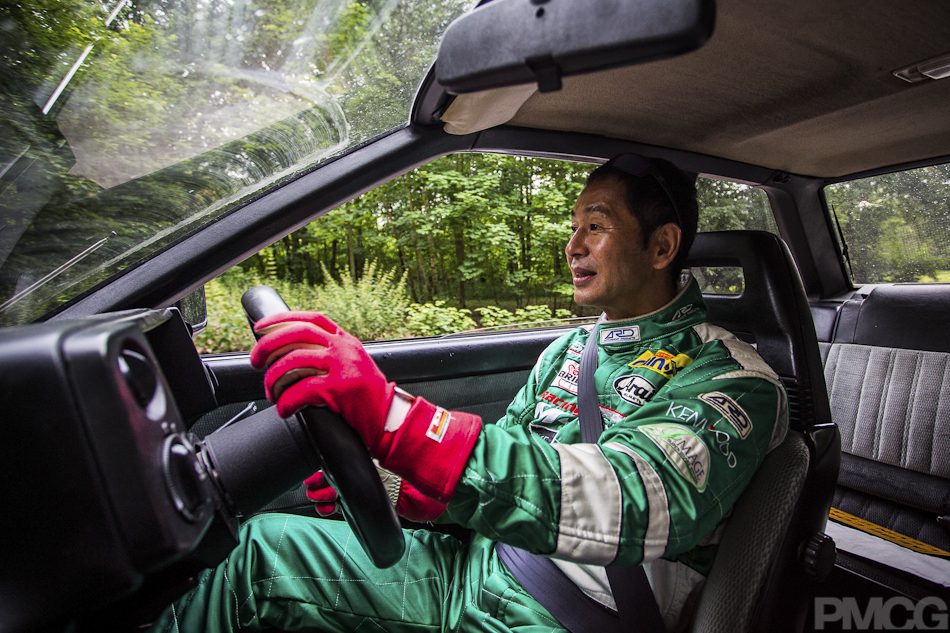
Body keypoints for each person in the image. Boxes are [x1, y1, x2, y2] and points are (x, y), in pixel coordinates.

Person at [151, 155, 788, 632]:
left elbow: (636, 499)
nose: (572, 246)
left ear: (662, 246)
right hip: (472, 569)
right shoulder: (571, 349)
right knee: (261, 551)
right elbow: (508, 458)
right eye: (573, 227)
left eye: (595, 226)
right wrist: (403, 488)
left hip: (565, 616)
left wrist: (398, 421)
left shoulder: (734, 379)